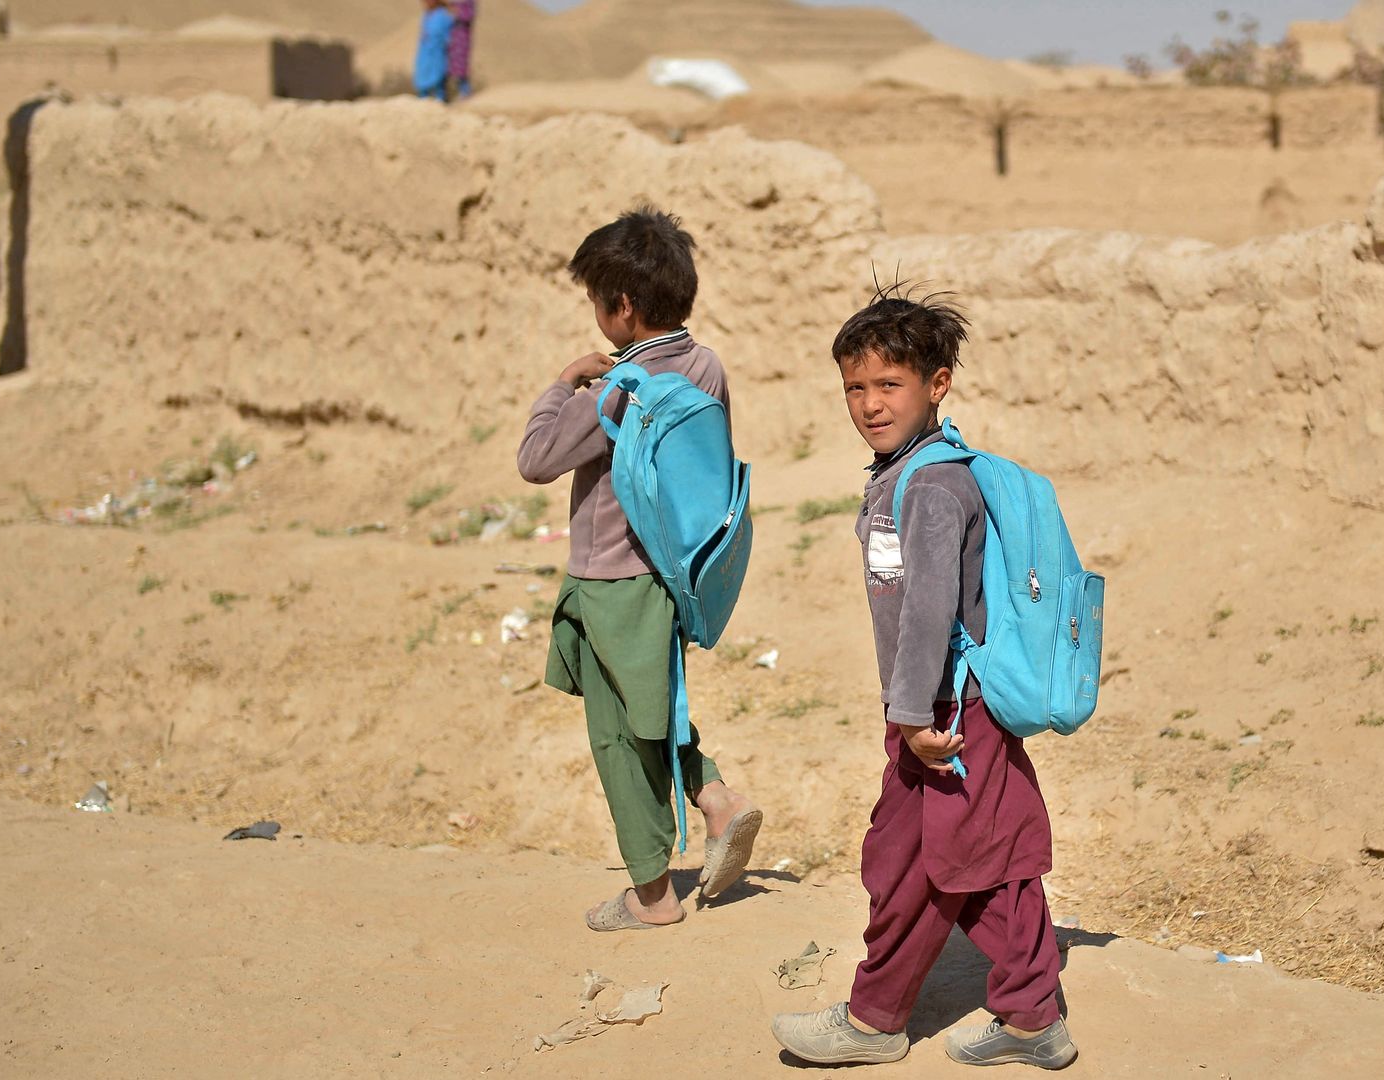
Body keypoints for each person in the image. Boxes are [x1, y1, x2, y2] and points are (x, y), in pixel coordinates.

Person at [770, 287, 1076, 1069]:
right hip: (941, 707)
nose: (870, 404)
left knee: (910, 864)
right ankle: (1033, 1013)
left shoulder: (934, 487)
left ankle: (874, 1022)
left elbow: (929, 613)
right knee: (978, 860)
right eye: (855, 387)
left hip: (943, 712)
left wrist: (910, 717)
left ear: (937, 384)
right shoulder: (904, 472)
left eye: (889, 385)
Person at [517, 207, 762, 930]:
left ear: (621, 308)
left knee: (618, 735)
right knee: (654, 707)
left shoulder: (619, 388)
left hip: (610, 583)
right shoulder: (704, 365)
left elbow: (535, 459)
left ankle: (652, 895)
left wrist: (566, 383)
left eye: (597, 299)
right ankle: (716, 799)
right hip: (674, 578)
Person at [412, 0, 455, 102]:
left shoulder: (444, 16)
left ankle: (440, 100)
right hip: (425, 52)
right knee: (422, 77)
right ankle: (423, 99)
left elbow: (448, 36)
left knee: (438, 78)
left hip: (438, 52)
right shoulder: (426, 15)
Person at [447, 0, 476, 100]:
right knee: (451, 64)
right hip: (452, 36)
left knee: (462, 65)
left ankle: (465, 91)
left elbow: (469, 15)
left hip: (462, 35)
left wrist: (457, 13)